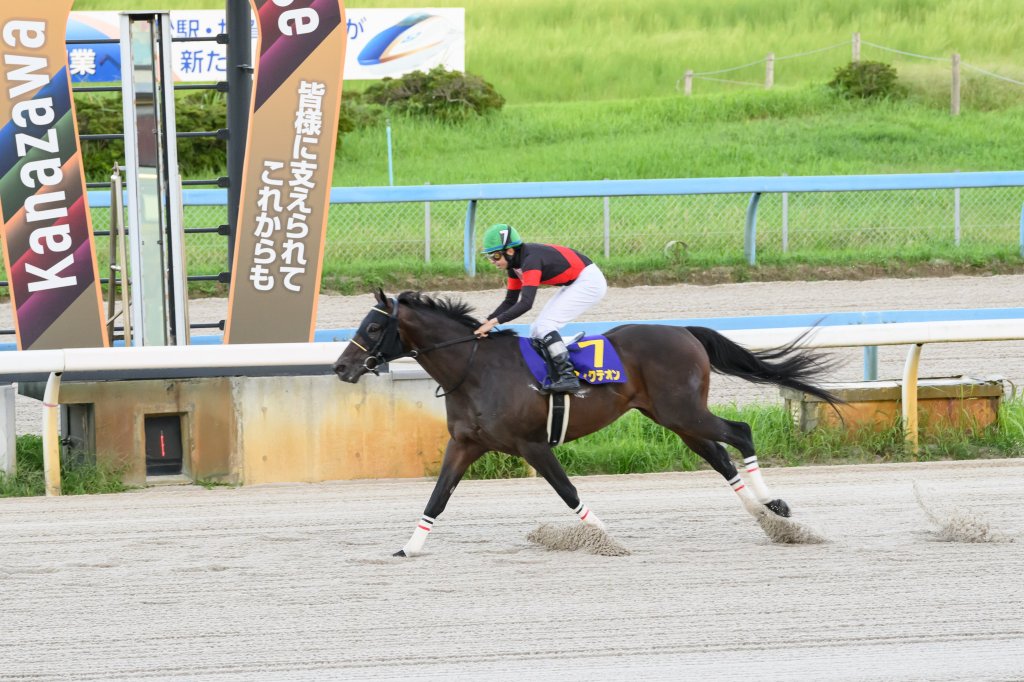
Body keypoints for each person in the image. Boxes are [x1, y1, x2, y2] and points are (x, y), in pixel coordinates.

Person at [474, 223, 607, 392]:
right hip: (575, 282)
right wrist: (485, 321)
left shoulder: (531, 260)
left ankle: (568, 377)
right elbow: (510, 301)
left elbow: (526, 303)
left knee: (545, 326)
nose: (492, 261)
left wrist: (493, 323)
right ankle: (558, 360)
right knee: (536, 329)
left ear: (510, 251)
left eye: (495, 256)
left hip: (589, 282)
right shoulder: (514, 266)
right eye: (489, 257)